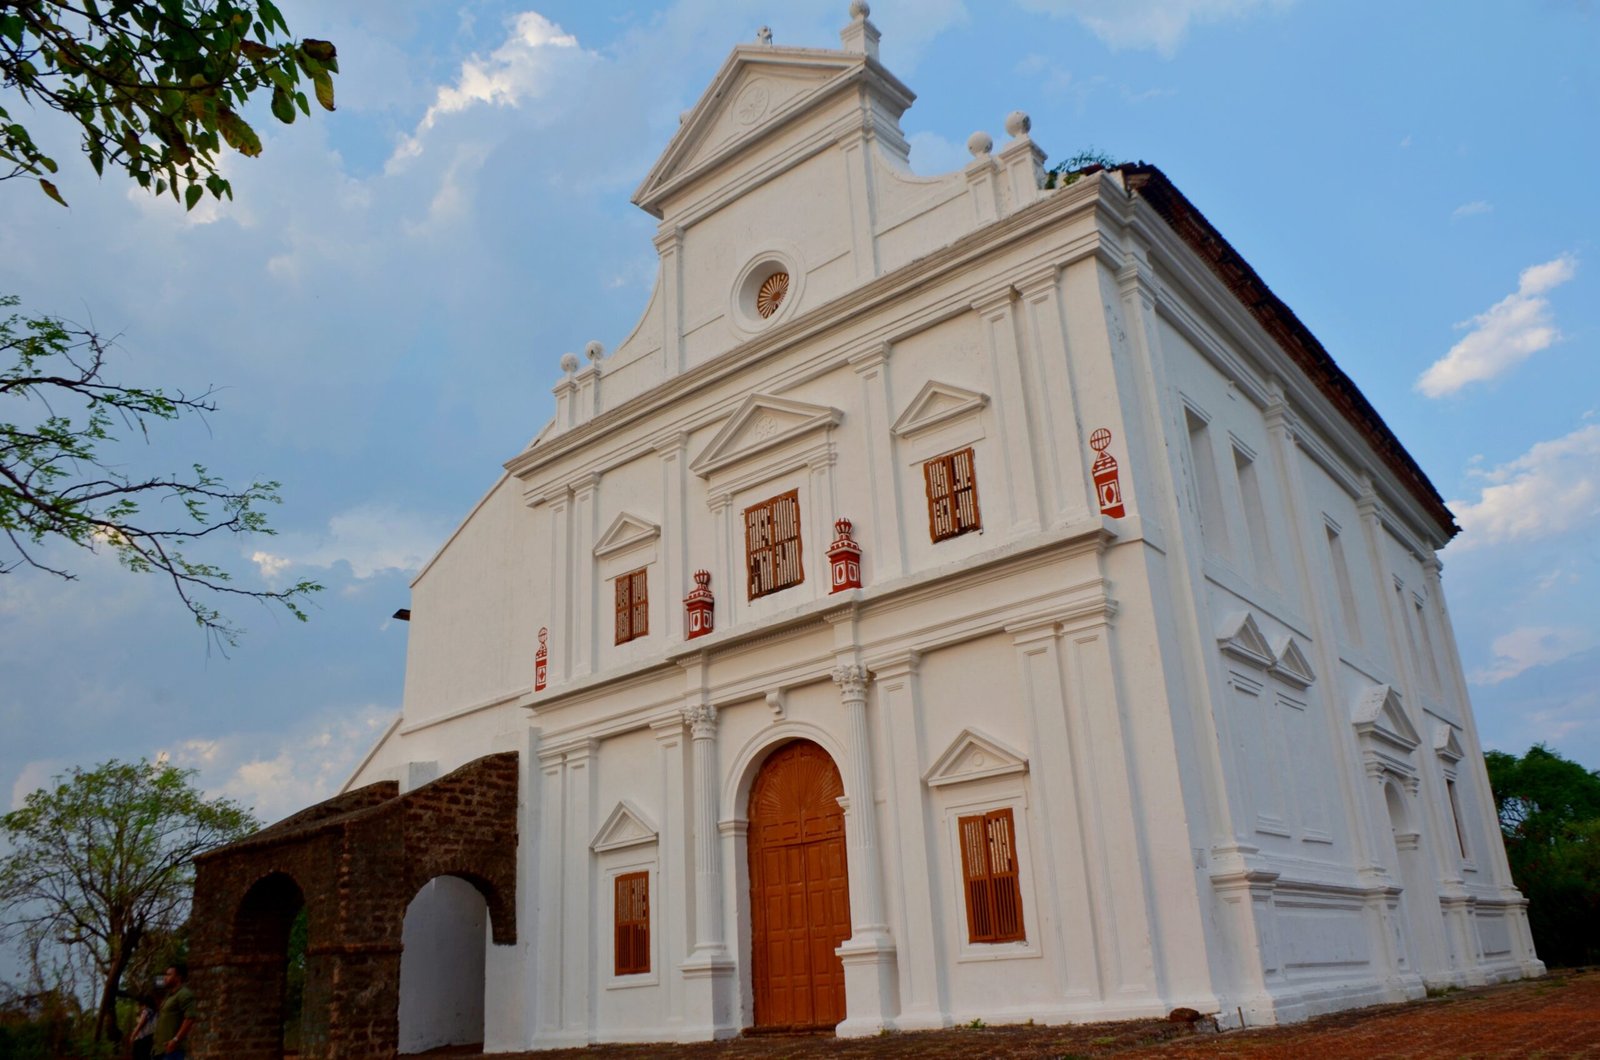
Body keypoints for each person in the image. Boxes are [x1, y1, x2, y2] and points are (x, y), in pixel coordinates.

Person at [151, 963, 196, 1059]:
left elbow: (190, 1018)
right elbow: (154, 983)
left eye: (169, 975)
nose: (165, 978)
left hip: (173, 1049)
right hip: (159, 1049)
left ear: (178, 977)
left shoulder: (184, 994)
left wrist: (175, 1040)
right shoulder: (169, 995)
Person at [127, 987, 159, 1060]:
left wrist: (133, 1035)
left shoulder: (147, 1011)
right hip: (150, 1037)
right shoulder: (155, 1013)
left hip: (142, 1039)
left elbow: (141, 1024)